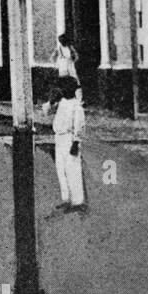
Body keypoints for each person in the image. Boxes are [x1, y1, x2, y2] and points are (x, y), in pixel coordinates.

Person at [51, 75, 87, 214]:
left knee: (72, 169)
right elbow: (47, 110)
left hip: (69, 139)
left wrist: (76, 142)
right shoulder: (61, 102)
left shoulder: (76, 105)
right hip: (59, 138)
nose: (62, 90)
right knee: (61, 169)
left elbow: (79, 125)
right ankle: (66, 199)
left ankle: (78, 201)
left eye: (65, 87)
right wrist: (52, 100)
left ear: (72, 89)